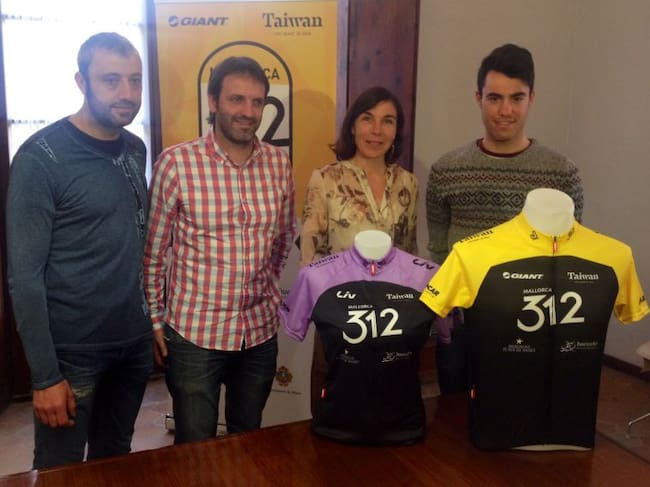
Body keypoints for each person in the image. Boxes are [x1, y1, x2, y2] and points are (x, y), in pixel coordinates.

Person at [6, 32, 153, 469]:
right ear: (81, 82)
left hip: (133, 344)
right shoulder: (40, 158)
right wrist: (45, 376)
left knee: (116, 462)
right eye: (111, 80)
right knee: (60, 471)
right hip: (73, 353)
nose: (127, 93)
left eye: (135, 80)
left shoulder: (135, 148)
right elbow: (24, 277)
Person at [143, 56, 296, 444]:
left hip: (258, 332)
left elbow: (282, 238)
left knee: (248, 440)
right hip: (195, 334)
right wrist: (156, 321)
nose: (248, 111)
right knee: (195, 447)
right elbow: (153, 253)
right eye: (236, 99)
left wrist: (266, 285)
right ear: (213, 102)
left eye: (257, 102)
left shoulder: (279, 164)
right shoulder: (176, 164)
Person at [425, 43, 584, 394]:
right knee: (455, 415)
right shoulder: (446, 170)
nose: (505, 110)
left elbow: (570, 256)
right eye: (495, 98)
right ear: (478, 98)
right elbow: (437, 249)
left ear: (531, 99)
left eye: (517, 98)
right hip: (462, 325)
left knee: (521, 414)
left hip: (530, 326)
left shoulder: (561, 175)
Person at [300, 86, 419, 411]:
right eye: (368, 119)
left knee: (386, 402)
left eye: (387, 121)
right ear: (352, 125)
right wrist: (329, 315)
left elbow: (409, 253)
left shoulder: (408, 183)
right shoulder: (325, 179)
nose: (376, 130)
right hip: (339, 316)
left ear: (396, 131)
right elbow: (310, 258)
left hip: (391, 318)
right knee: (335, 403)